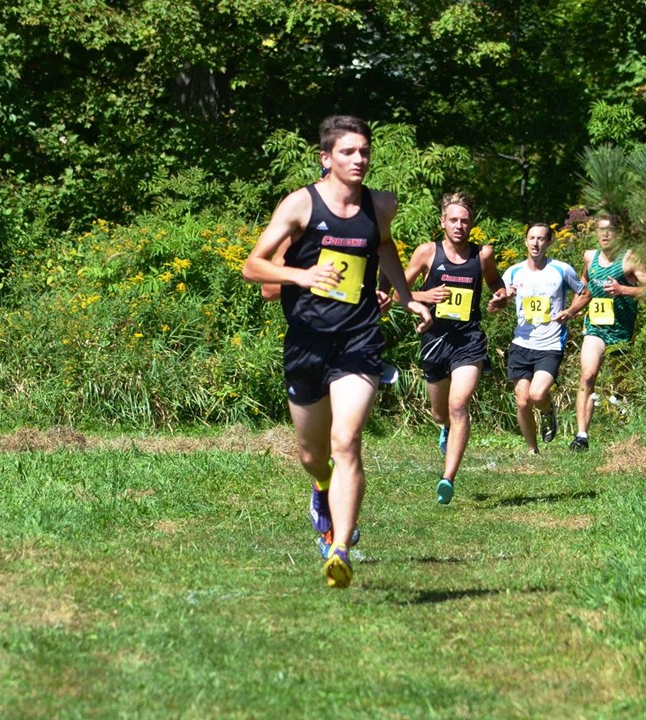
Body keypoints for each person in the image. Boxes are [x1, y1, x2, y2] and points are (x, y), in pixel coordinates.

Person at [242, 115, 431, 588]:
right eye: (348, 152)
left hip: (358, 340)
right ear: (326, 158)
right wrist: (301, 276)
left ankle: (340, 547)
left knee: (346, 440)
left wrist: (406, 297)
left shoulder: (381, 205)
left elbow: (384, 246)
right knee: (312, 453)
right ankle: (320, 490)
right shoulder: (300, 205)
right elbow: (253, 266)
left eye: (364, 152)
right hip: (306, 342)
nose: (359, 160)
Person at [399, 192, 509, 504]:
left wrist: (500, 298)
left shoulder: (482, 255)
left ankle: (447, 478)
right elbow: (398, 293)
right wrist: (425, 296)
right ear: (442, 222)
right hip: (435, 340)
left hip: (468, 340)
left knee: (459, 405)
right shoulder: (426, 253)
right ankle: (445, 428)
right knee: (440, 412)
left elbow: (495, 285)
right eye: (453, 220)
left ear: (471, 224)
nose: (459, 225)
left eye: (465, 220)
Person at [502, 223, 587, 455]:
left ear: (549, 242)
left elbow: (585, 293)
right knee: (522, 402)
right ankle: (533, 450)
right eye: (531, 238)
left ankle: (548, 412)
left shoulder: (561, 270)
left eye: (541, 238)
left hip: (550, 344)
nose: (535, 243)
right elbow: (497, 302)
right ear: (525, 241)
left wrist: (569, 312)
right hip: (521, 343)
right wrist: (504, 297)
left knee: (537, 395)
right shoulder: (513, 271)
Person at [571, 215, 646, 451]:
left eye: (611, 230)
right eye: (601, 230)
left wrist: (623, 289)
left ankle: (630, 430)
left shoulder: (630, 259)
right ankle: (581, 436)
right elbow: (584, 286)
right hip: (595, 328)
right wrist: (573, 309)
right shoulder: (590, 257)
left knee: (623, 384)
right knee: (588, 375)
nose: (605, 235)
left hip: (622, 331)